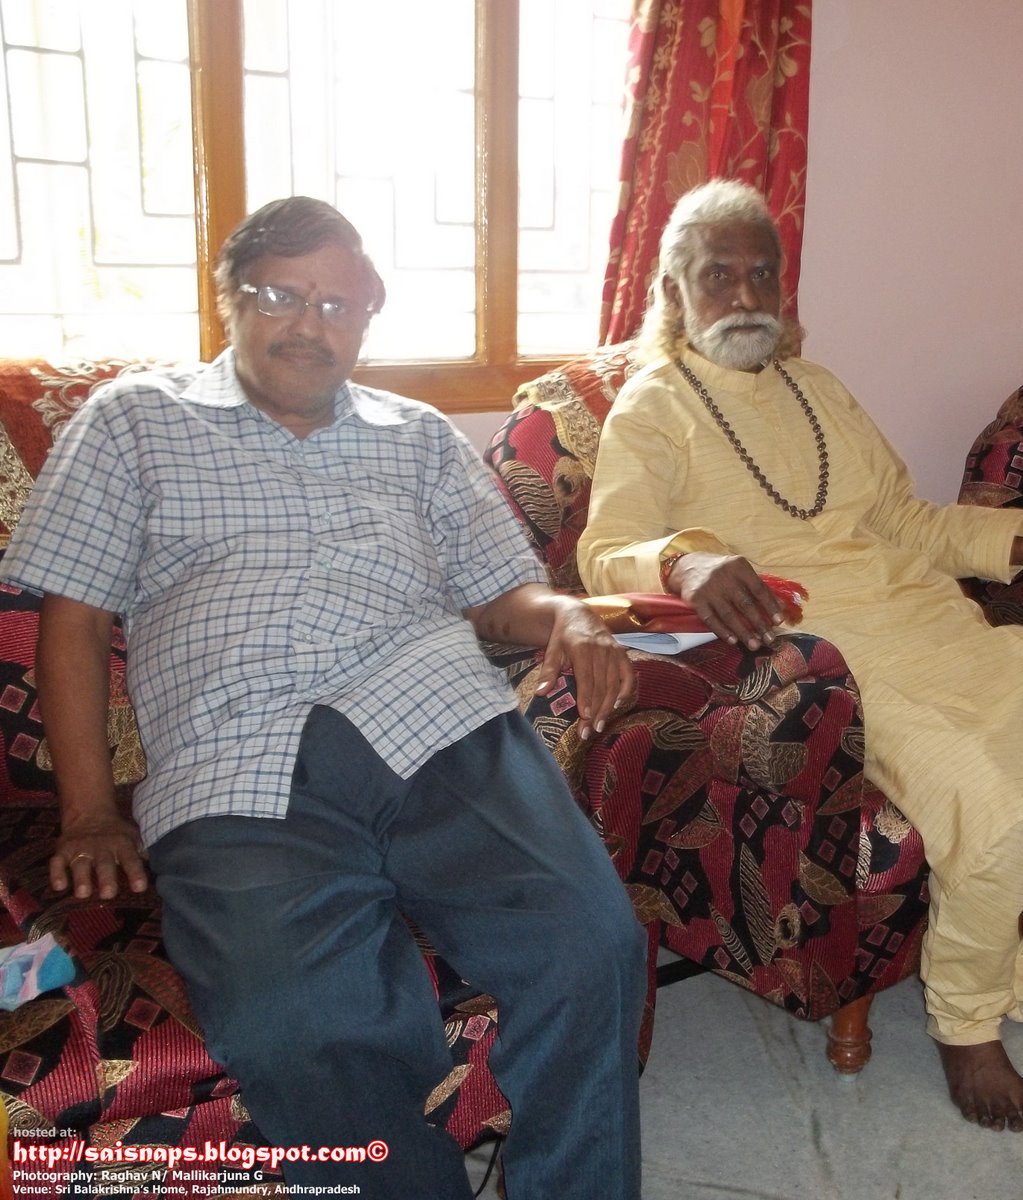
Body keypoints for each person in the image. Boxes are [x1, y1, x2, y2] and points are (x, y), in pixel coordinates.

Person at [2, 197, 646, 1199]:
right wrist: (89, 811)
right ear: (229, 301)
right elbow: (74, 620)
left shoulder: (419, 436)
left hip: (437, 718)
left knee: (587, 944)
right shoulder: (133, 421)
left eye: (339, 302)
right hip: (234, 753)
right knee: (292, 1021)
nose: (311, 323)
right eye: (280, 295)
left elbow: (496, 590)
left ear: (370, 313)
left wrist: (568, 616)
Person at [576, 179, 1023, 1133]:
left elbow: (901, 520)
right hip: (829, 664)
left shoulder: (820, 387)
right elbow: (603, 553)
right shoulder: (653, 407)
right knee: (1003, 823)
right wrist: (684, 555)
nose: (746, 296)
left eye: (764, 275)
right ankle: (966, 1027)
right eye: (719, 277)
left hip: (943, 628)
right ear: (674, 294)